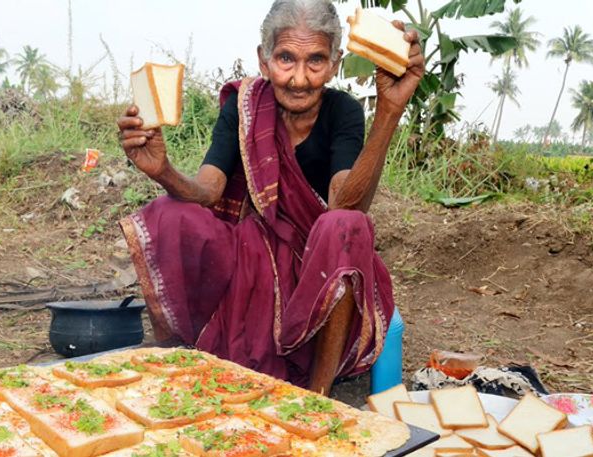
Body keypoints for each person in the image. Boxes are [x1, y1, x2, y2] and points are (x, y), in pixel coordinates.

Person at [117, 0, 424, 395]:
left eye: (315, 61)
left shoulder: (342, 111)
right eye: (285, 59)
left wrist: (389, 112)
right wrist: (163, 171)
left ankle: (318, 394)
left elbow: (345, 204)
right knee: (170, 213)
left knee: (346, 225)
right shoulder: (245, 106)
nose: (299, 78)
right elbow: (207, 192)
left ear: (335, 62)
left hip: (323, 267)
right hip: (253, 262)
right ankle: (180, 363)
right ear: (263, 60)